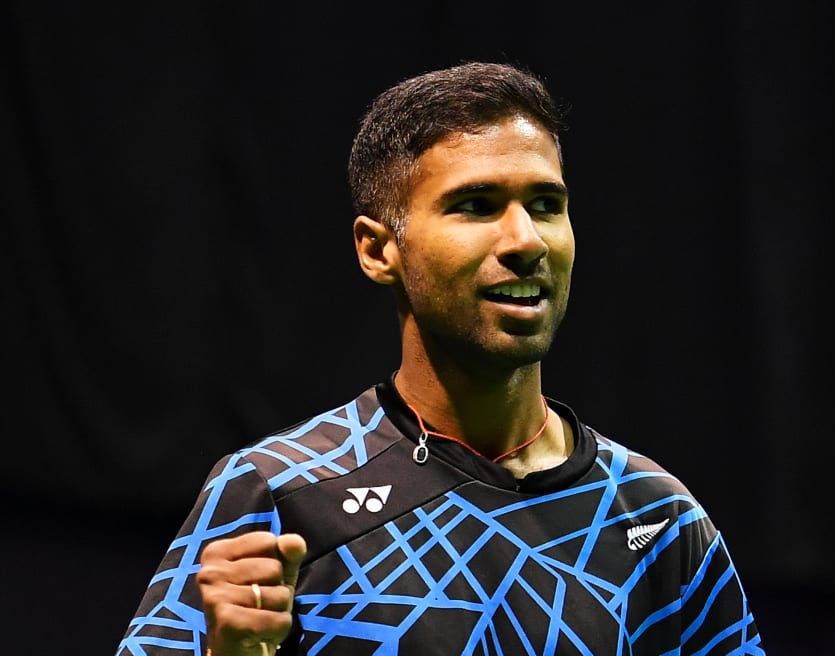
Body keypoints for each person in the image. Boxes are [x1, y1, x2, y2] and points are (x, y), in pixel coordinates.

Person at [117, 61, 765, 656]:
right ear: (378, 251)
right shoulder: (277, 493)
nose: (526, 240)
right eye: (476, 206)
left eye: (546, 204)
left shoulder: (658, 519)